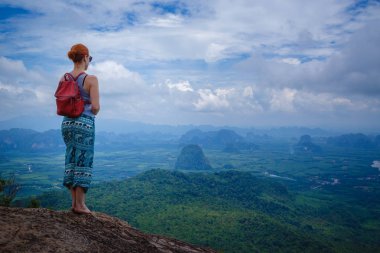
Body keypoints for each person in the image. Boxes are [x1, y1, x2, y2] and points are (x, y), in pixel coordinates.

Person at [60, 43, 100, 214]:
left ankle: (73, 203)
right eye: (89, 58)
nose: (89, 61)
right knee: (84, 160)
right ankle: (80, 205)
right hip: (83, 123)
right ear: (85, 57)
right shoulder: (91, 79)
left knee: (71, 159)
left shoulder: (64, 78)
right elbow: (96, 107)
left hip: (67, 123)